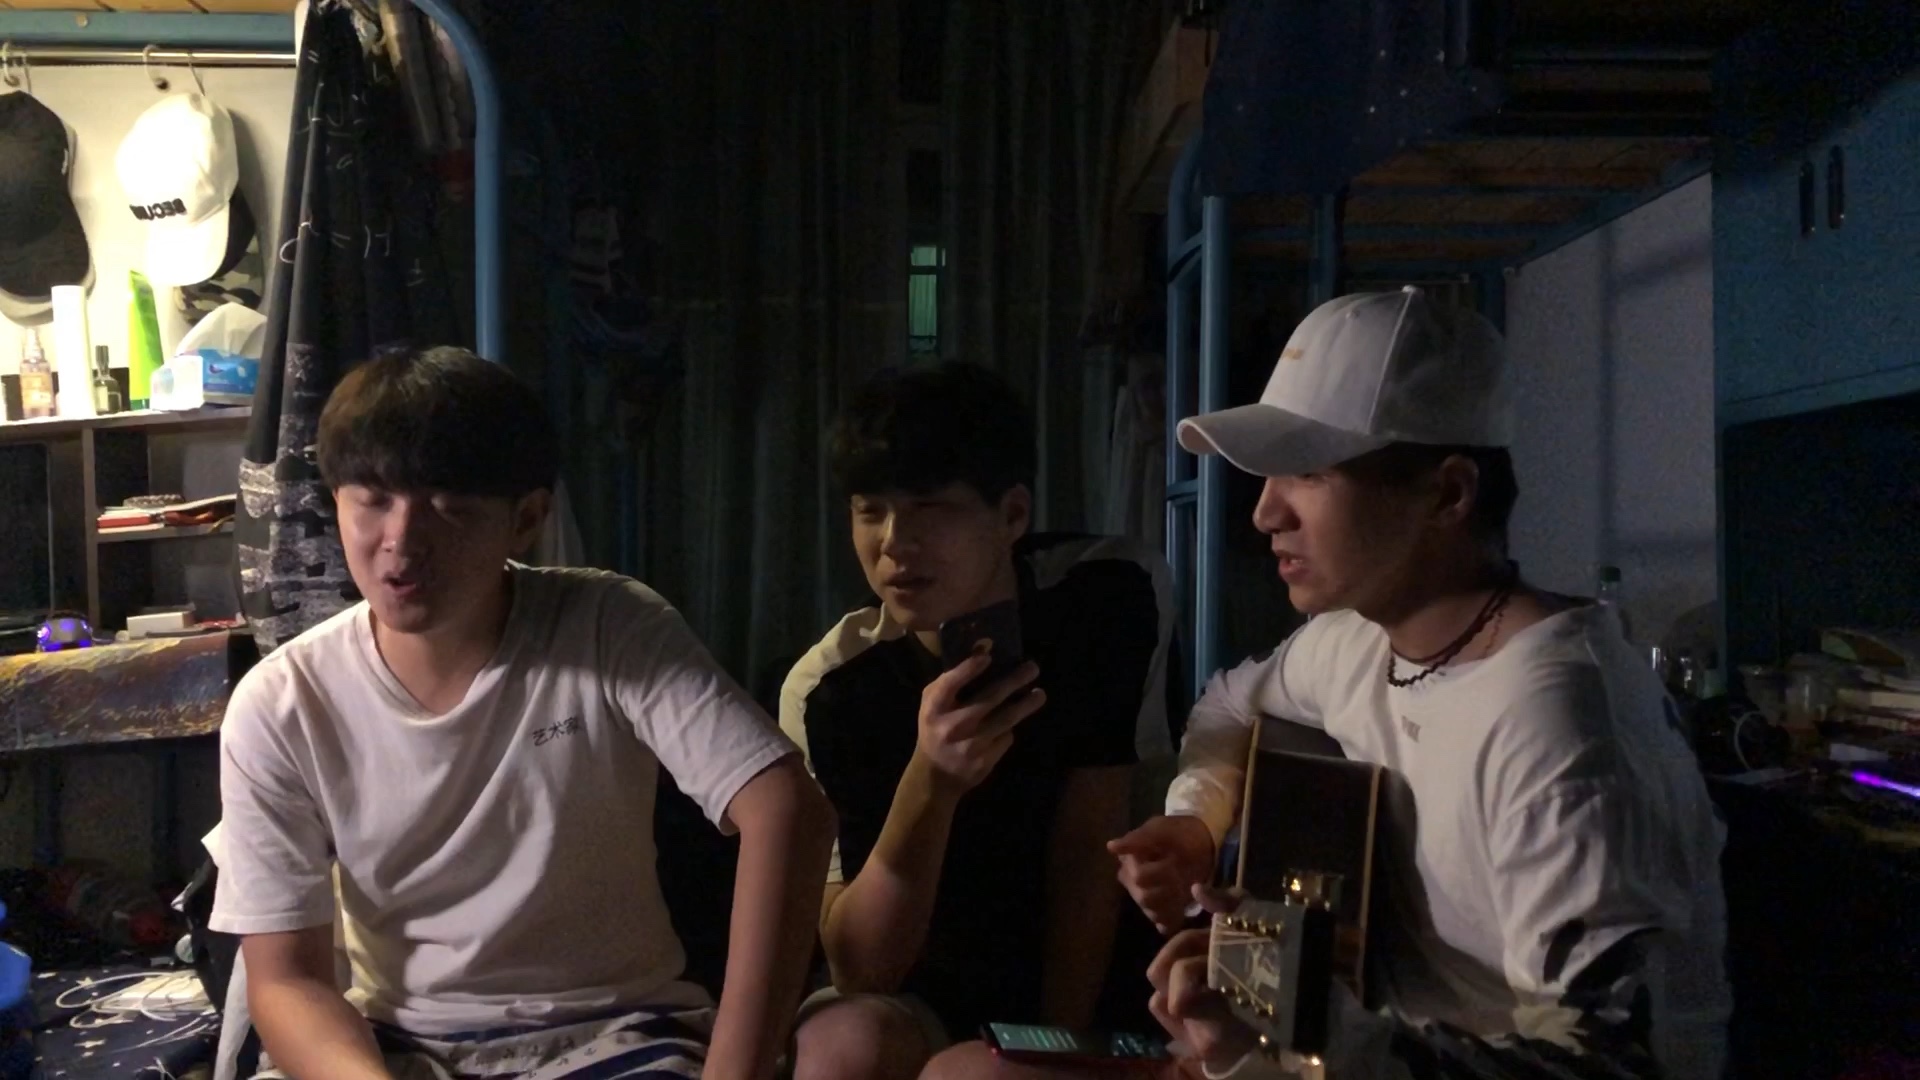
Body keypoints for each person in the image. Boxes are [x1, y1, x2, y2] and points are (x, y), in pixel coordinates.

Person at [927, 287, 1731, 1080]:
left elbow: (1620, 1068)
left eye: (1307, 472)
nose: (1264, 513)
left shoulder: (1565, 729)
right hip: (1352, 1055)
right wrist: (1197, 820)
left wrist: (1306, 1021)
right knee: (966, 1071)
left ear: (1448, 493)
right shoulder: (1356, 640)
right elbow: (1228, 704)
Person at [211, 346, 836, 1080]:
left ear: (527, 518)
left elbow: (787, 811)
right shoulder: (283, 701)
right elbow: (287, 980)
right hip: (397, 1044)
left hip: (615, 1033)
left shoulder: (606, 625)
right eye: (372, 499)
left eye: (450, 506)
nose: (401, 541)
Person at [780, 362, 1177, 1080]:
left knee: (976, 1076)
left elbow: (1090, 849)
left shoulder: (1105, 596)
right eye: (870, 510)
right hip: (919, 992)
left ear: (1013, 514)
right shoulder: (831, 688)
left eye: (930, 507)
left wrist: (1048, 1049)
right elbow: (862, 967)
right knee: (842, 1046)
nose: (893, 542)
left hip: (1095, 982)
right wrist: (929, 784)